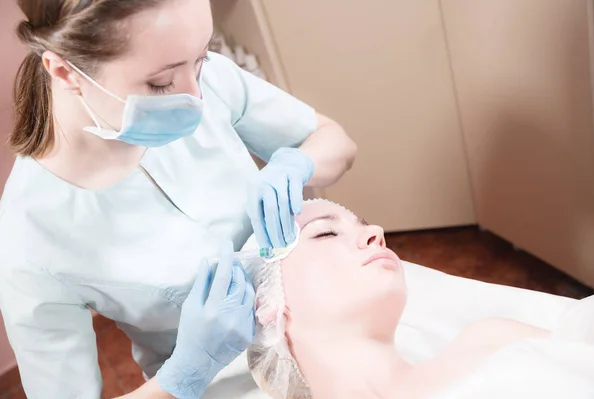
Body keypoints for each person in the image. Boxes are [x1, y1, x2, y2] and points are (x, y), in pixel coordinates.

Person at [0, 0, 357, 398]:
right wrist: (186, 372)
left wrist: (299, 162)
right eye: (160, 82)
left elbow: (337, 143)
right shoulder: (30, 240)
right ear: (66, 71)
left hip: (336, 334)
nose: (197, 97)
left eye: (201, 59)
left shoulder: (207, 80)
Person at [244, 199, 594, 399]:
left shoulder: (492, 338)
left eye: (363, 223)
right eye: (325, 233)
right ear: (269, 306)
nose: (375, 233)